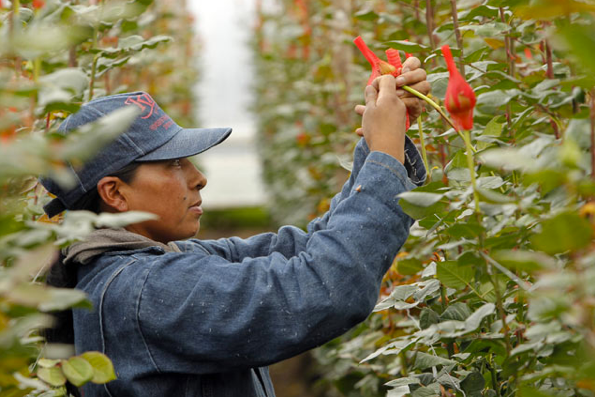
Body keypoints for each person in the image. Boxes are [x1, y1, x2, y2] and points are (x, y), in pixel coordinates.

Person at [42, 57, 430, 396]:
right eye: (173, 164)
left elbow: (307, 248)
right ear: (115, 194)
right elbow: (323, 284)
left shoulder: (148, 266)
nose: (198, 177)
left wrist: (386, 142)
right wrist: (383, 154)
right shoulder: (146, 291)